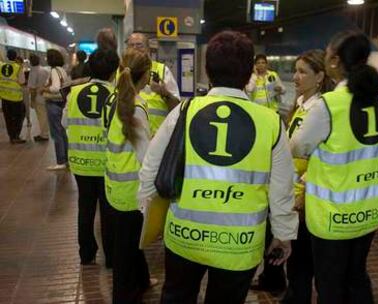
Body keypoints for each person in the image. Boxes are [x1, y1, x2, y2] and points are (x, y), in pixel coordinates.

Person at [139, 30, 298, 304]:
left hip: (185, 236)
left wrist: (147, 216)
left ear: (207, 69)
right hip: (240, 243)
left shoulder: (184, 111)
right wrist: (283, 234)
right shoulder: (271, 122)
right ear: (249, 73)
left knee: (176, 296)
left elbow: (150, 168)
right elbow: (282, 188)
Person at [290, 31, 378, 304]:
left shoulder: (330, 104)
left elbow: (299, 147)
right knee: (357, 277)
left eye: (327, 55)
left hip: (333, 217)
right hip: (369, 211)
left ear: (335, 61)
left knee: (331, 284)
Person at [104, 48, 157, 304]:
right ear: (146, 74)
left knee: (129, 243)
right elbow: (146, 157)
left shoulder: (114, 99)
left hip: (114, 184)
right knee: (124, 254)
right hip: (131, 191)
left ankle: (143, 281)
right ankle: (124, 296)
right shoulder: (137, 106)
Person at [281, 49, 333, 304]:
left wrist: (302, 193)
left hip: (308, 200)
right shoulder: (300, 107)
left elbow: (322, 160)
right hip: (295, 196)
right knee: (297, 264)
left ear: (320, 76)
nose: (295, 77)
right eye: (295, 70)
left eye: (303, 72)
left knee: (304, 263)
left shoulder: (320, 111)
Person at [64, 48, 119, 267]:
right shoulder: (116, 95)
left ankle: (86, 254)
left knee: (85, 207)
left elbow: (64, 124)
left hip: (81, 163)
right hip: (107, 165)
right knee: (108, 212)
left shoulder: (74, 93)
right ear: (114, 71)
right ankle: (111, 258)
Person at [126, 32, 180, 136]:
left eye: (139, 45)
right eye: (131, 45)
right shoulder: (120, 72)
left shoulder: (162, 71)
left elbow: (176, 109)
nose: (135, 48)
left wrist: (165, 94)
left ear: (148, 49)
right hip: (129, 138)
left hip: (156, 139)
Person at [41, 49, 70, 170]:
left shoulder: (54, 70)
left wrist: (44, 89)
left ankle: (60, 161)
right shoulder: (62, 70)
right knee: (62, 132)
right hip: (61, 102)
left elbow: (55, 88)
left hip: (53, 103)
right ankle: (67, 159)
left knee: (56, 133)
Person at [0, 49, 26, 144]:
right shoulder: (18, 67)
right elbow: (22, 82)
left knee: (8, 118)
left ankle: (11, 136)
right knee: (19, 116)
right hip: (16, 98)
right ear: (15, 57)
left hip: (4, 97)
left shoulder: (1, 66)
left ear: (7, 56)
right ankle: (16, 136)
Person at [28, 53, 50, 141]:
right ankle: (45, 133)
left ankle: (44, 135)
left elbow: (32, 88)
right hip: (46, 95)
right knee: (44, 115)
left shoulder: (33, 71)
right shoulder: (44, 70)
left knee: (42, 116)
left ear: (30, 62)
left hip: (38, 97)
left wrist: (32, 101)